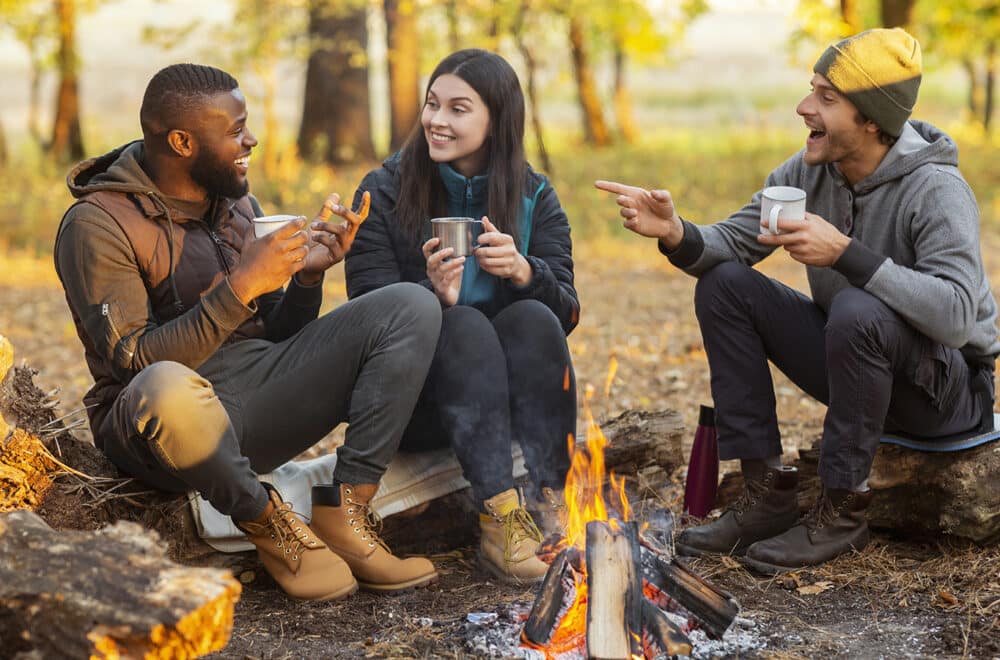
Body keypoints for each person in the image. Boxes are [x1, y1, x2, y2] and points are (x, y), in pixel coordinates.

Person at [596, 28, 999, 574]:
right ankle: (765, 493)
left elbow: (955, 317)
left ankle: (841, 511)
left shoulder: (936, 189)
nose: (804, 107)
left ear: (873, 119)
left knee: (857, 308)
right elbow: (730, 244)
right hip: (859, 363)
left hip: (945, 395)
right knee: (725, 284)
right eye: (812, 89)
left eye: (827, 98)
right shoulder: (808, 173)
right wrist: (674, 232)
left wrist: (846, 254)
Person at [54, 63, 443, 601]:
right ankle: (267, 522)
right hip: (168, 428)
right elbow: (133, 362)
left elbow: (278, 334)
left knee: (410, 304)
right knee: (165, 386)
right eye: (236, 130)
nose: (251, 140)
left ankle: (345, 512)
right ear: (183, 141)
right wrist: (238, 288)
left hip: (255, 396)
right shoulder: (98, 224)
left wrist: (306, 278)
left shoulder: (236, 201)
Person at [345, 49, 580, 583]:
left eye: (458, 109)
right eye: (432, 105)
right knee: (463, 323)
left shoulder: (533, 195)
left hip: (509, 407)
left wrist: (525, 271)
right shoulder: (383, 191)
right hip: (417, 405)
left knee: (534, 317)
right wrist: (429, 300)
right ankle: (501, 520)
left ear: (496, 120)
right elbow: (361, 319)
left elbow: (565, 313)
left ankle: (549, 501)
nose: (437, 121)